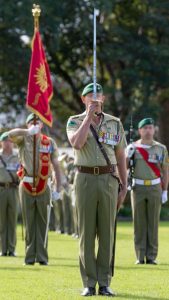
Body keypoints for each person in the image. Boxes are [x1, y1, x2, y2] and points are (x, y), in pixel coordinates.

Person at [66, 83, 127, 297]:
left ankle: (105, 282)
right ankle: (89, 283)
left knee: (107, 233)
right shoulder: (74, 121)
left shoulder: (115, 123)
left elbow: (120, 157)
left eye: (98, 94)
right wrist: (87, 117)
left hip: (109, 178)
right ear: (83, 99)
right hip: (84, 179)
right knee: (87, 232)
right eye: (90, 95)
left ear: (103, 98)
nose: (95, 97)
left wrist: (124, 185)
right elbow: (76, 143)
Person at [7, 113, 61, 265]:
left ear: (42, 125)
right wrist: (27, 132)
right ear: (27, 124)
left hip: (44, 184)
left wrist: (57, 188)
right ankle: (29, 257)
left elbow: (56, 166)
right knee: (29, 222)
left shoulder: (49, 142)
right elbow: (9, 135)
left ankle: (43, 258)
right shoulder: (23, 139)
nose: (35, 124)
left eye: (37, 122)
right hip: (27, 183)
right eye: (31, 122)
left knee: (43, 223)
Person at [126, 118, 169, 265]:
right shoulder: (133, 147)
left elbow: (165, 170)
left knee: (153, 222)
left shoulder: (160, 148)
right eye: (145, 128)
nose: (148, 130)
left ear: (154, 129)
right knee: (139, 223)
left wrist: (165, 190)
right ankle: (140, 255)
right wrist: (127, 155)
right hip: (138, 187)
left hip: (155, 187)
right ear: (139, 131)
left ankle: (151, 256)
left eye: (150, 127)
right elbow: (125, 166)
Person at [0, 131, 19, 257]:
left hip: (13, 190)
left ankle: (11, 249)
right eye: (6, 141)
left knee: (12, 220)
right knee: (1, 220)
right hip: (1, 189)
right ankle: (2, 249)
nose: (8, 143)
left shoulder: (18, 156)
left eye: (10, 141)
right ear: (1, 143)